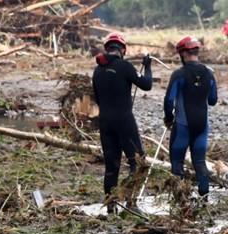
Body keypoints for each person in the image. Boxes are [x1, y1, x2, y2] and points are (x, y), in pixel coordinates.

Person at [91, 33, 152, 210]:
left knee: (111, 166)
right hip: (124, 121)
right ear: (122, 50)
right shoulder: (125, 66)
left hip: (105, 122)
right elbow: (147, 84)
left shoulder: (97, 70)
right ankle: (131, 202)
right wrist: (147, 67)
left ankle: (111, 206)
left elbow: (98, 98)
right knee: (138, 162)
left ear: (107, 48)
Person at [164, 36, 218, 197]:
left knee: (177, 163)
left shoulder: (179, 74)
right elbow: (213, 100)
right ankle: (205, 201)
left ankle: (180, 201)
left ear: (183, 54)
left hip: (182, 125)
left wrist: (168, 118)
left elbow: (169, 100)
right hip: (201, 124)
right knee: (200, 163)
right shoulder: (209, 73)